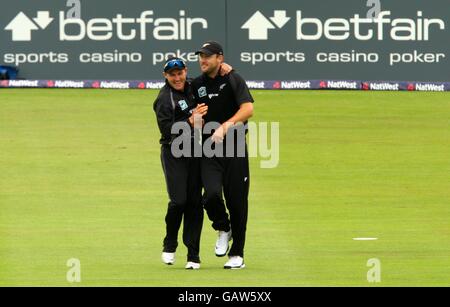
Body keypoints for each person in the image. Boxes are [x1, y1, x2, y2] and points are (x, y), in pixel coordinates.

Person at [191, 41, 254, 269]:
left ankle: (237, 254)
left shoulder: (233, 78)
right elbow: (189, 111)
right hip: (209, 148)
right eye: (200, 56)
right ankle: (222, 226)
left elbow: (248, 109)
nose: (202, 60)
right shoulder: (196, 84)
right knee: (211, 195)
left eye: (207, 56)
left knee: (237, 202)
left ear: (220, 58)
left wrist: (225, 127)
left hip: (235, 147)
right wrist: (195, 118)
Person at [153, 57, 208, 270]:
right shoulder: (164, 99)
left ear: (185, 71)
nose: (177, 78)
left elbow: (213, 82)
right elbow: (167, 131)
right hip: (173, 152)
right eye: (172, 75)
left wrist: (226, 70)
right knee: (178, 201)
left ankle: (193, 255)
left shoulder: (195, 86)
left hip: (197, 151)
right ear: (165, 76)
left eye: (180, 73)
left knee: (195, 203)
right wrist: (189, 120)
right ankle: (170, 243)